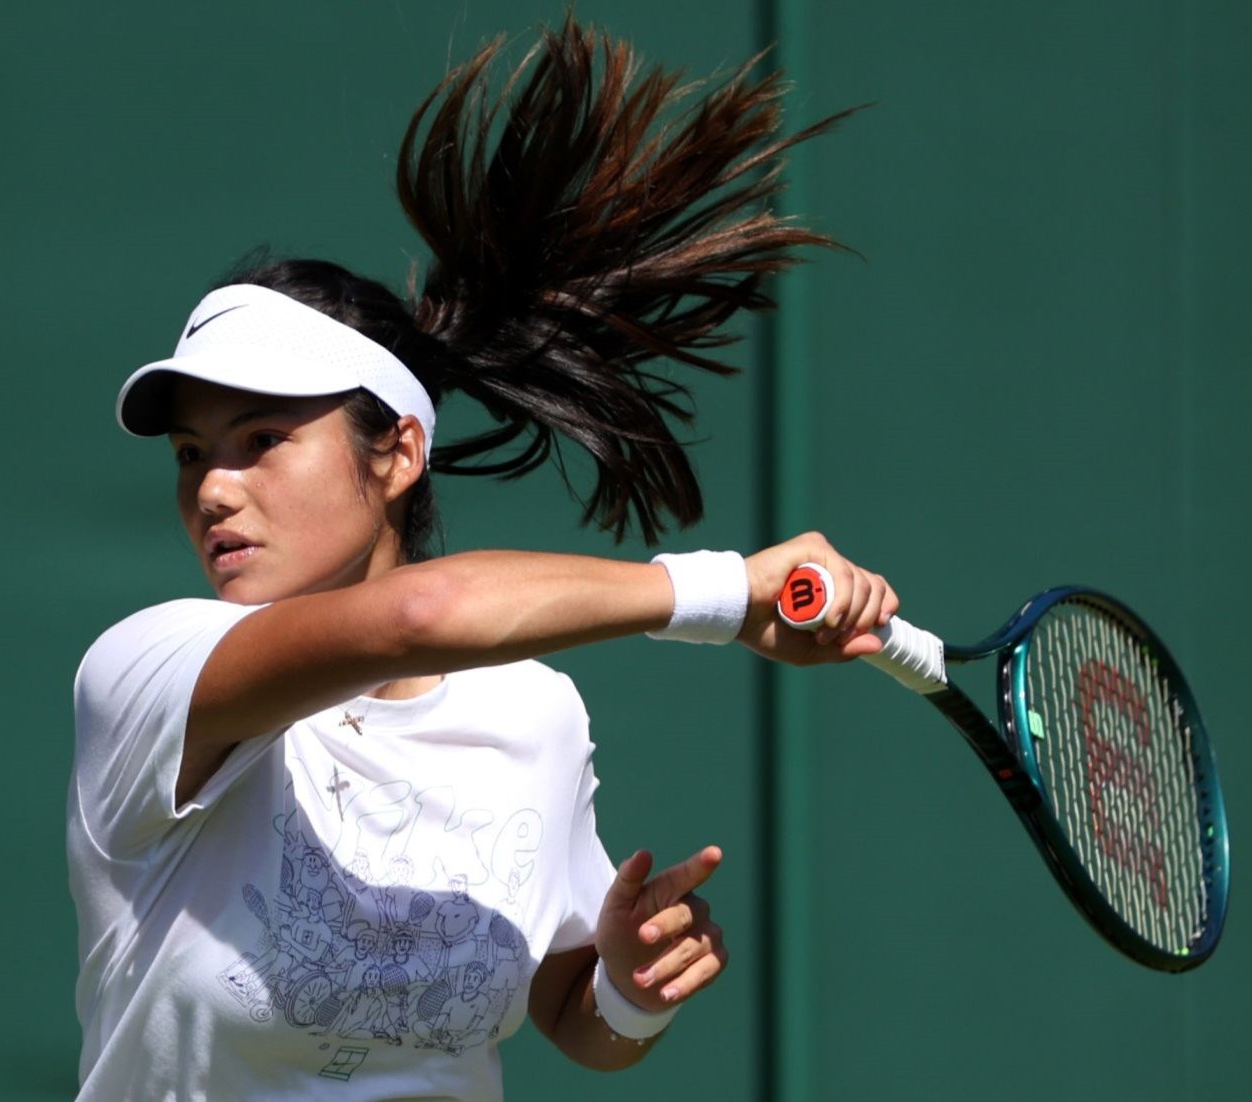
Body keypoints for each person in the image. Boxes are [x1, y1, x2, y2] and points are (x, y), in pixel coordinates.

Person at [66, 16, 892, 1101]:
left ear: (400, 450)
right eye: (191, 454)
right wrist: (720, 592)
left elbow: (561, 1007)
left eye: (264, 441)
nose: (214, 487)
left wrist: (630, 990)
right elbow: (422, 614)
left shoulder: (532, 715)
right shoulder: (151, 674)